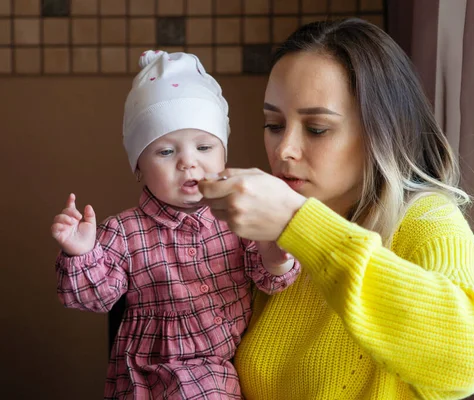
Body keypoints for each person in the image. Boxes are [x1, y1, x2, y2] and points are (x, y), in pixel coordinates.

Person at [197, 18, 474, 399]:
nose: (284, 149)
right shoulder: (266, 246)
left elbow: (466, 360)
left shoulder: (426, 222)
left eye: (317, 129)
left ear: (381, 131)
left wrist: (300, 224)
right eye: (274, 124)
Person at [51, 50, 299, 399]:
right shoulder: (124, 231)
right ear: (138, 166)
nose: (188, 163)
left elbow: (271, 278)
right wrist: (80, 252)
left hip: (219, 366)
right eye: (166, 152)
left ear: (223, 153)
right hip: (144, 374)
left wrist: (276, 253)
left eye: (203, 147)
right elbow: (95, 298)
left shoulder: (238, 214)